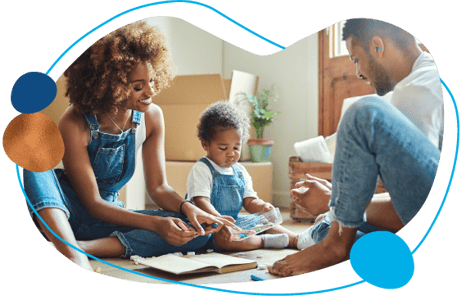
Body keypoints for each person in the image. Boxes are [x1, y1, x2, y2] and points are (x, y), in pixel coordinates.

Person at [22, 21, 232, 272]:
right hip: (66, 211)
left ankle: (81, 247)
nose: (151, 91)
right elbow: (92, 203)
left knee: (198, 231)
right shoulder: (74, 121)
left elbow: (158, 188)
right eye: (137, 86)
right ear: (111, 85)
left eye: (152, 80)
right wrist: (154, 225)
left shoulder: (152, 117)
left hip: (110, 217)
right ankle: (73, 255)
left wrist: (189, 208)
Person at [268, 18, 443, 277]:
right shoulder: (429, 74)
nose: (359, 73)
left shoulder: (417, 87)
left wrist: (334, 203)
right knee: (343, 233)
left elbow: (421, 211)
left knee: (362, 113)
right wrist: (341, 205)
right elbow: (414, 198)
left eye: (356, 59)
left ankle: (333, 246)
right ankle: (337, 237)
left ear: (377, 47)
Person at [186, 101, 299, 251]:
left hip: (234, 223)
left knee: (267, 220)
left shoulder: (240, 171)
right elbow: (201, 201)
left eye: (236, 147)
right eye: (223, 148)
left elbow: (249, 201)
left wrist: (263, 206)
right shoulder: (202, 169)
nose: (231, 153)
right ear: (205, 144)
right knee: (225, 238)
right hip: (210, 227)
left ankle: (295, 239)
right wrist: (219, 221)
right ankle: (263, 241)